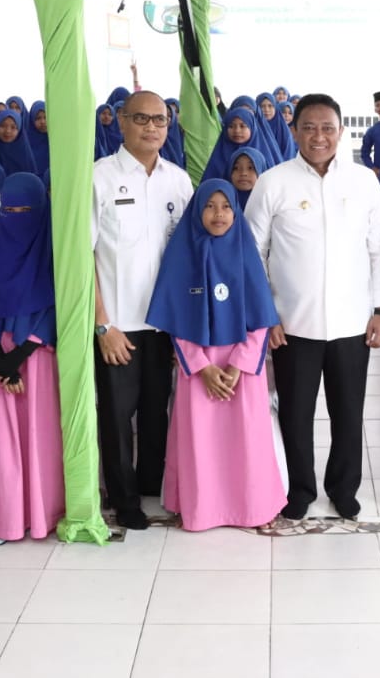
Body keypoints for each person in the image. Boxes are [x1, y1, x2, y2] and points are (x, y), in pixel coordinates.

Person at [246, 93, 380, 520]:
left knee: (348, 413)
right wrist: (265, 315)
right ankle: (299, 489)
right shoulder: (273, 182)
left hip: (353, 323)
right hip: (292, 324)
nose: (319, 136)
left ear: (341, 132)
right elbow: (251, 253)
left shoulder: (363, 181)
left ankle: (343, 489)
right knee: (295, 414)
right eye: (309, 127)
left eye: (328, 128)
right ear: (294, 131)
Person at [146, 181, 286, 530]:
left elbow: (261, 318)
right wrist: (202, 367)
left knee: (246, 440)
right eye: (209, 206)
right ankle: (204, 509)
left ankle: (250, 507)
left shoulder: (245, 252)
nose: (218, 214)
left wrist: (238, 365)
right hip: (200, 369)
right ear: (197, 211)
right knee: (202, 441)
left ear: (236, 212)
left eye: (226, 206)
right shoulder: (182, 255)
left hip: (242, 370)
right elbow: (176, 317)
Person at [93, 91, 194, 530]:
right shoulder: (98, 177)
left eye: (159, 119)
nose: (151, 127)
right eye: (141, 119)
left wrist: (184, 328)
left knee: (157, 411)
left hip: (164, 324)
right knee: (117, 417)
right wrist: (102, 325)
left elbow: (191, 255)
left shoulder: (179, 181)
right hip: (118, 325)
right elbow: (81, 258)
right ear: (121, 121)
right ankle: (124, 498)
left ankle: (152, 483)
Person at [0, 173, 65, 544]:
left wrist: (21, 354)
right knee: (3, 444)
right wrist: (0, 360)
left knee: (43, 439)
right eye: (10, 211)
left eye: (27, 210)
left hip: (39, 355)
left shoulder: (53, 251)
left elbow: (58, 305)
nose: (18, 218)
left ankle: (45, 515)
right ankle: (7, 520)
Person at [202, 106, 273, 183]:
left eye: (242, 126)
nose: (237, 130)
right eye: (231, 126)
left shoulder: (263, 155)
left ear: (252, 127)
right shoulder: (219, 155)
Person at [0, 108, 38, 176]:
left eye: (13, 127)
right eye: (2, 126)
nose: (8, 131)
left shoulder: (25, 156)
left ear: (19, 131)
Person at [256, 91, 297, 162]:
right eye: (262, 106)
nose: (266, 109)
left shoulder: (284, 129)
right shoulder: (254, 128)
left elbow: (288, 155)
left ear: (275, 108)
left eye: (270, 106)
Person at [27, 100, 50, 175]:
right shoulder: (26, 143)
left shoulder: (57, 140)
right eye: (38, 118)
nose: (42, 122)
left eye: (46, 117)